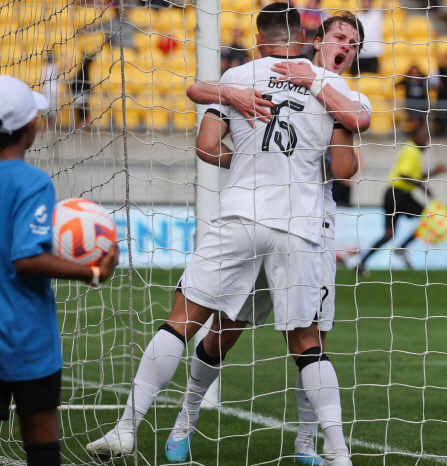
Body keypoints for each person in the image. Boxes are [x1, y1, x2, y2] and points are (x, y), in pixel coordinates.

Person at [84, 6, 357, 466]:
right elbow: (346, 169)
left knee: (182, 321)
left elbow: (206, 147)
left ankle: (127, 427)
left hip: (241, 216)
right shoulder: (329, 86)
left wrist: (247, 162)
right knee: (308, 344)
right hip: (301, 227)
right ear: (308, 37)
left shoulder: (236, 77)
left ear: (258, 36)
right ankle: (338, 452)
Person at [178, 12, 368, 465]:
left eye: (355, 43)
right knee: (225, 330)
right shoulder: (267, 78)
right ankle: (185, 419)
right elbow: (207, 128)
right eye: (340, 36)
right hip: (256, 220)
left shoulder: (341, 96)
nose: (348, 47)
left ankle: (307, 442)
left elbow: (343, 169)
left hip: (310, 227)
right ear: (314, 41)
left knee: (312, 338)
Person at [0, 75, 118, 466]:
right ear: (30, 126)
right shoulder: (31, 181)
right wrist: (93, 273)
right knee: (41, 435)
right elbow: (26, 258)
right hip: (25, 337)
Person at [357, 124, 446, 274]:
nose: (427, 142)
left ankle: (361, 263)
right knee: (429, 217)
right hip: (399, 194)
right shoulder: (412, 151)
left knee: (388, 234)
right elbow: (404, 175)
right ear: (415, 137)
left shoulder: (410, 150)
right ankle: (402, 247)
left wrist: (432, 175)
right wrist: (423, 186)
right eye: (424, 138)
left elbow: (413, 176)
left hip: (392, 194)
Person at [355, 0, 389, 75]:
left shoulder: (376, 14)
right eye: (364, 1)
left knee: (373, 79)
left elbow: (385, 5)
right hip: (359, 54)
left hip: (373, 53)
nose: (366, 3)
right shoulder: (357, 16)